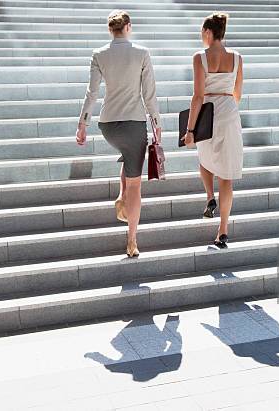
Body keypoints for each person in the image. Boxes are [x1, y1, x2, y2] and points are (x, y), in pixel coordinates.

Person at [76, 10, 162, 257]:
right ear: (128, 27)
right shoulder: (142, 53)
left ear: (110, 29)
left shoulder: (99, 54)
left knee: (127, 156)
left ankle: (121, 194)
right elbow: (149, 95)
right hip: (134, 125)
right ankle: (132, 240)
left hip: (108, 125)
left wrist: (83, 124)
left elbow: (91, 92)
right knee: (136, 185)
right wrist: (156, 123)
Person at [181, 12, 244, 249]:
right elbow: (238, 93)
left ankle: (210, 197)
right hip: (229, 111)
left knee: (204, 159)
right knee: (227, 176)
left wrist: (189, 130)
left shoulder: (200, 57)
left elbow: (197, 96)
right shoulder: (237, 58)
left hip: (208, 112)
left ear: (208, 32)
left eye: (201, 33)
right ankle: (223, 232)